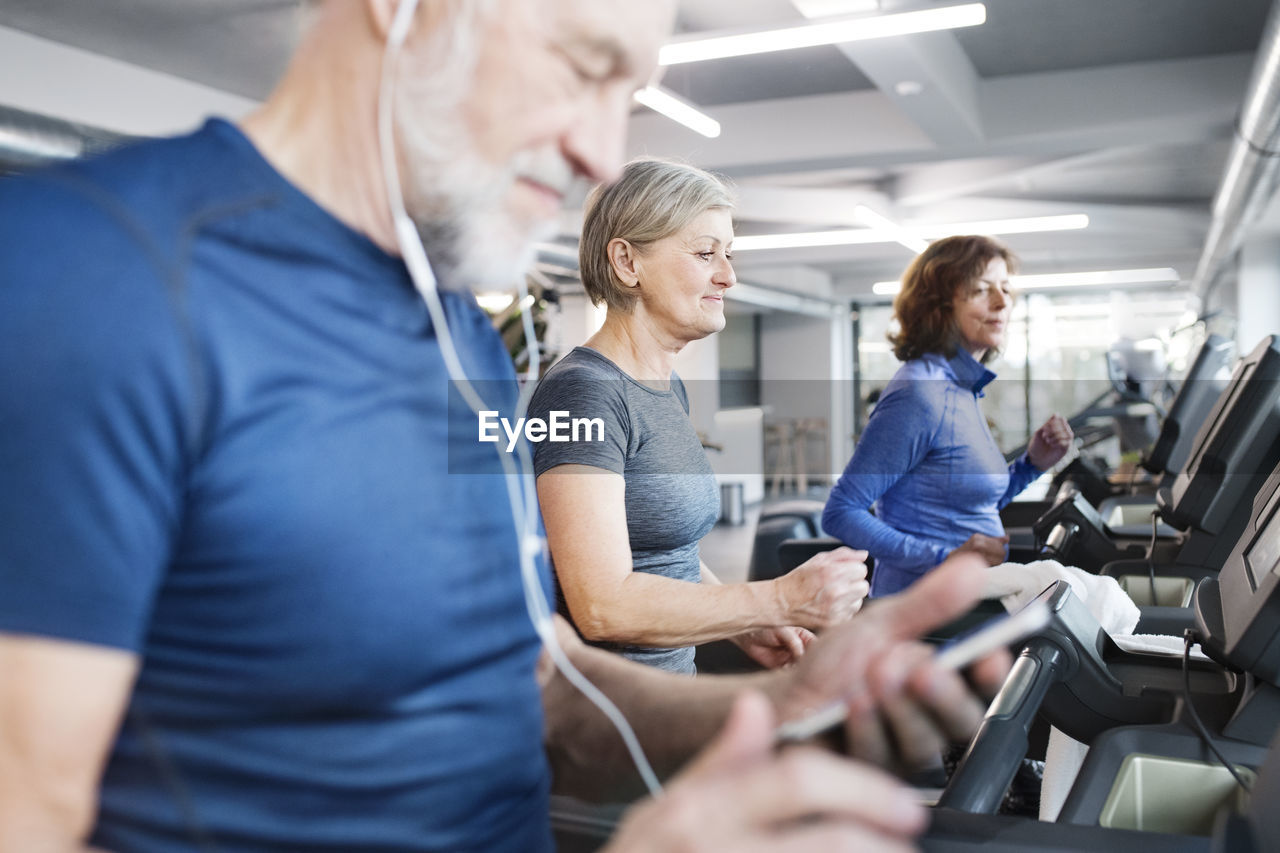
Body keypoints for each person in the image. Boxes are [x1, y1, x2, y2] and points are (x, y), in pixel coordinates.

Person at [0, 2, 1009, 851]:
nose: (597, 152)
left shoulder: (457, 338)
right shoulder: (89, 279)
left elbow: (528, 675)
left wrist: (775, 712)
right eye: (581, 66)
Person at [530, 157, 868, 673]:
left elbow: (669, 555)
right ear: (626, 262)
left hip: (669, 693)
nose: (728, 275)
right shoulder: (582, 394)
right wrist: (777, 600)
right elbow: (601, 606)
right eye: (705, 253)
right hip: (608, 719)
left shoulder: (667, 389)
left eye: (728, 254)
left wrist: (745, 624)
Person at [823, 235, 1074, 597]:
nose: (1002, 301)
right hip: (921, 613)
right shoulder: (919, 392)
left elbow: (966, 504)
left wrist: (1032, 464)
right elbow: (840, 511)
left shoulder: (959, 387)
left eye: (1005, 288)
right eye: (981, 290)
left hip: (966, 601)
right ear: (938, 304)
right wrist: (946, 559)